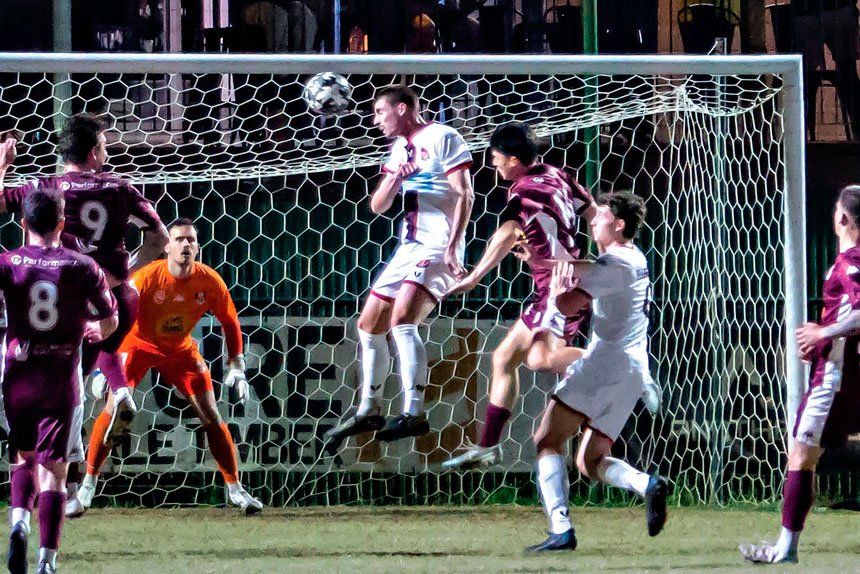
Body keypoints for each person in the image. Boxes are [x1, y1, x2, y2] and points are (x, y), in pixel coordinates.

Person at [0, 114, 169, 517]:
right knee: (75, 383)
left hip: (59, 304)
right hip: (113, 300)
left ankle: (52, 487)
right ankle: (110, 388)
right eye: (106, 147)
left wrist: (3, 161)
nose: (108, 154)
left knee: (52, 389)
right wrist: (124, 271)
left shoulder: (47, 189)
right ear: (94, 153)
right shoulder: (120, 187)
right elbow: (160, 237)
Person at [68, 218, 263, 515]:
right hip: (137, 344)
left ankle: (236, 490)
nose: (186, 245)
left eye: (191, 240)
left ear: (197, 247)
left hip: (180, 349)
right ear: (167, 246)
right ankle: (86, 490)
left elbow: (230, 322)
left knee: (211, 413)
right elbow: (113, 314)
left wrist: (236, 365)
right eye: (180, 240)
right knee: (112, 411)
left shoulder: (209, 281)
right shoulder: (147, 278)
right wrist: (100, 367)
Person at [324, 85, 474, 452]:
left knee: (402, 320)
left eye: (380, 112)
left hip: (438, 243)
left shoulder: (443, 136)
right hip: (408, 246)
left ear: (403, 108)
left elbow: (465, 193)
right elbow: (377, 205)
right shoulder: (396, 150)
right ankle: (369, 408)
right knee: (368, 324)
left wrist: (454, 245)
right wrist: (394, 178)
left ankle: (413, 411)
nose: (376, 121)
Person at [441, 122, 595, 470]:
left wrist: (475, 277)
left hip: (557, 290)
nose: (494, 166)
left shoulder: (523, 191)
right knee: (503, 358)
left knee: (539, 361)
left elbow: (508, 232)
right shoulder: (558, 175)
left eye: (496, 159)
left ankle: (614, 364)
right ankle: (486, 448)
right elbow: (593, 213)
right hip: (554, 283)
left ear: (513, 160)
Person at [526, 191, 668, 552]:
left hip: (606, 362)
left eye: (600, 215)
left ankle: (561, 529)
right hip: (633, 370)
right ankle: (646, 484)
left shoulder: (614, 263)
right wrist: (542, 260)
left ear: (618, 224)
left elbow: (570, 303)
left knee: (546, 438)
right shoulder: (633, 258)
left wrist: (557, 292)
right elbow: (582, 266)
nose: (592, 220)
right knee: (589, 461)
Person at [740, 184, 860, 564]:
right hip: (840, 370)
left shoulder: (850, 262)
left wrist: (821, 334)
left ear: (841, 217)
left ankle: (785, 550)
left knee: (801, 454)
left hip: (836, 379)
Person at [1, 188, 119, 574]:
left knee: (22, 456)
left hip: (18, 375)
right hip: (61, 378)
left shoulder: (8, 262)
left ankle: (18, 524)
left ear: (23, 224)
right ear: (63, 223)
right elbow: (109, 317)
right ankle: (46, 563)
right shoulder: (83, 266)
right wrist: (98, 329)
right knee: (55, 469)